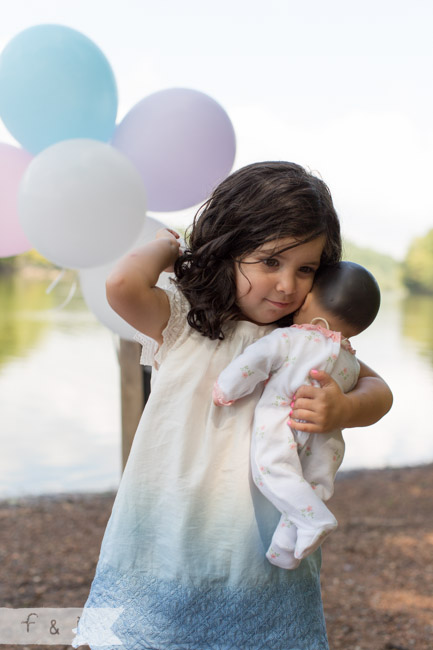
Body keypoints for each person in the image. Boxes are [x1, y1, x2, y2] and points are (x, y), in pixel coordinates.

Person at [73, 162, 392, 650]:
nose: (287, 285)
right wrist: (167, 248)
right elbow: (121, 287)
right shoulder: (182, 320)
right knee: (151, 632)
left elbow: (379, 391)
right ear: (227, 249)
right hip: (170, 526)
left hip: (259, 539)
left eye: (305, 269)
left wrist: (342, 411)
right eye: (270, 262)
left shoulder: (306, 340)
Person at [213, 261, 381, 571]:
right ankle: (285, 549)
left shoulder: (292, 338)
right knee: (311, 483)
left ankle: (315, 520)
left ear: (310, 304)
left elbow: (255, 361)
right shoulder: (351, 363)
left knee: (273, 471)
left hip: (283, 421)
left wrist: (227, 388)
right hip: (326, 438)